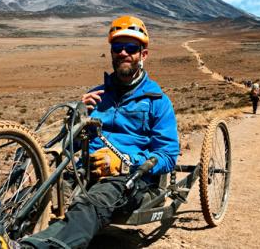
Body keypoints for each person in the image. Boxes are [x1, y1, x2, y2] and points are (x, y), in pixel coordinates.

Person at [16, 15, 180, 248]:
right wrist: (76, 116)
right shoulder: (96, 95)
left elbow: (168, 155)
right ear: (111, 52)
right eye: (117, 47)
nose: (123, 53)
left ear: (143, 55)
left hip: (129, 178)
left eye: (131, 48)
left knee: (92, 202)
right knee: (37, 192)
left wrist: (124, 163)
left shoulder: (158, 101)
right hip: (85, 168)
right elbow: (69, 143)